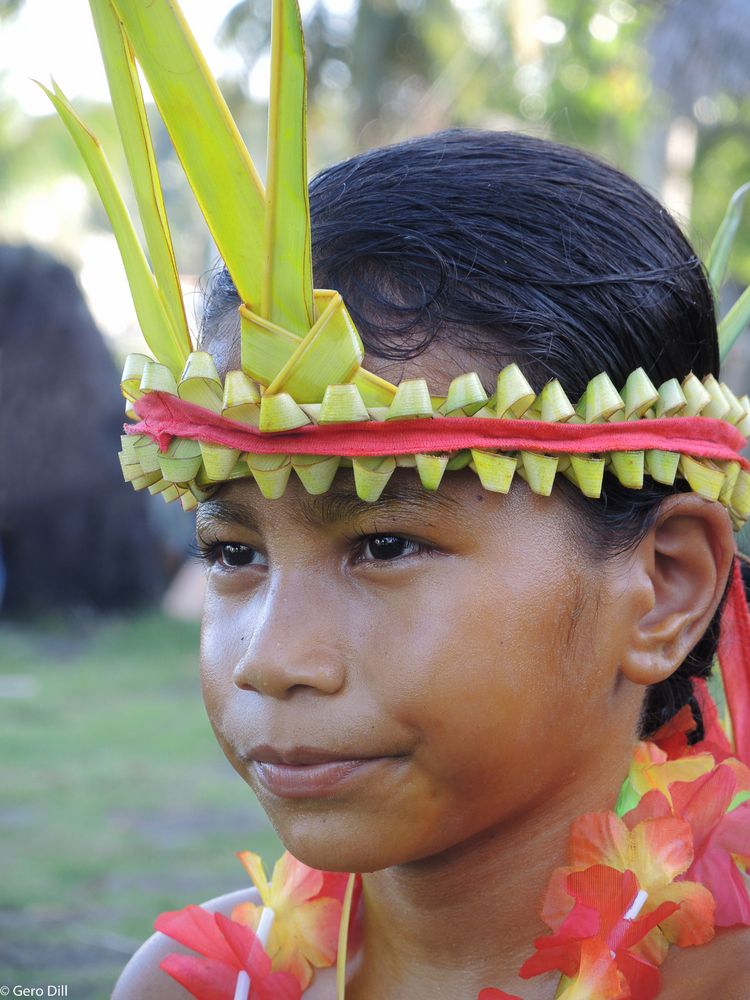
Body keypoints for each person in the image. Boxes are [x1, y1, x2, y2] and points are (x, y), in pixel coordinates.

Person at [48, 3, 750, 997]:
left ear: (666, 586)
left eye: (383, 543)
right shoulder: (184, 983)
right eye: (233, 550)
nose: (273, 659)